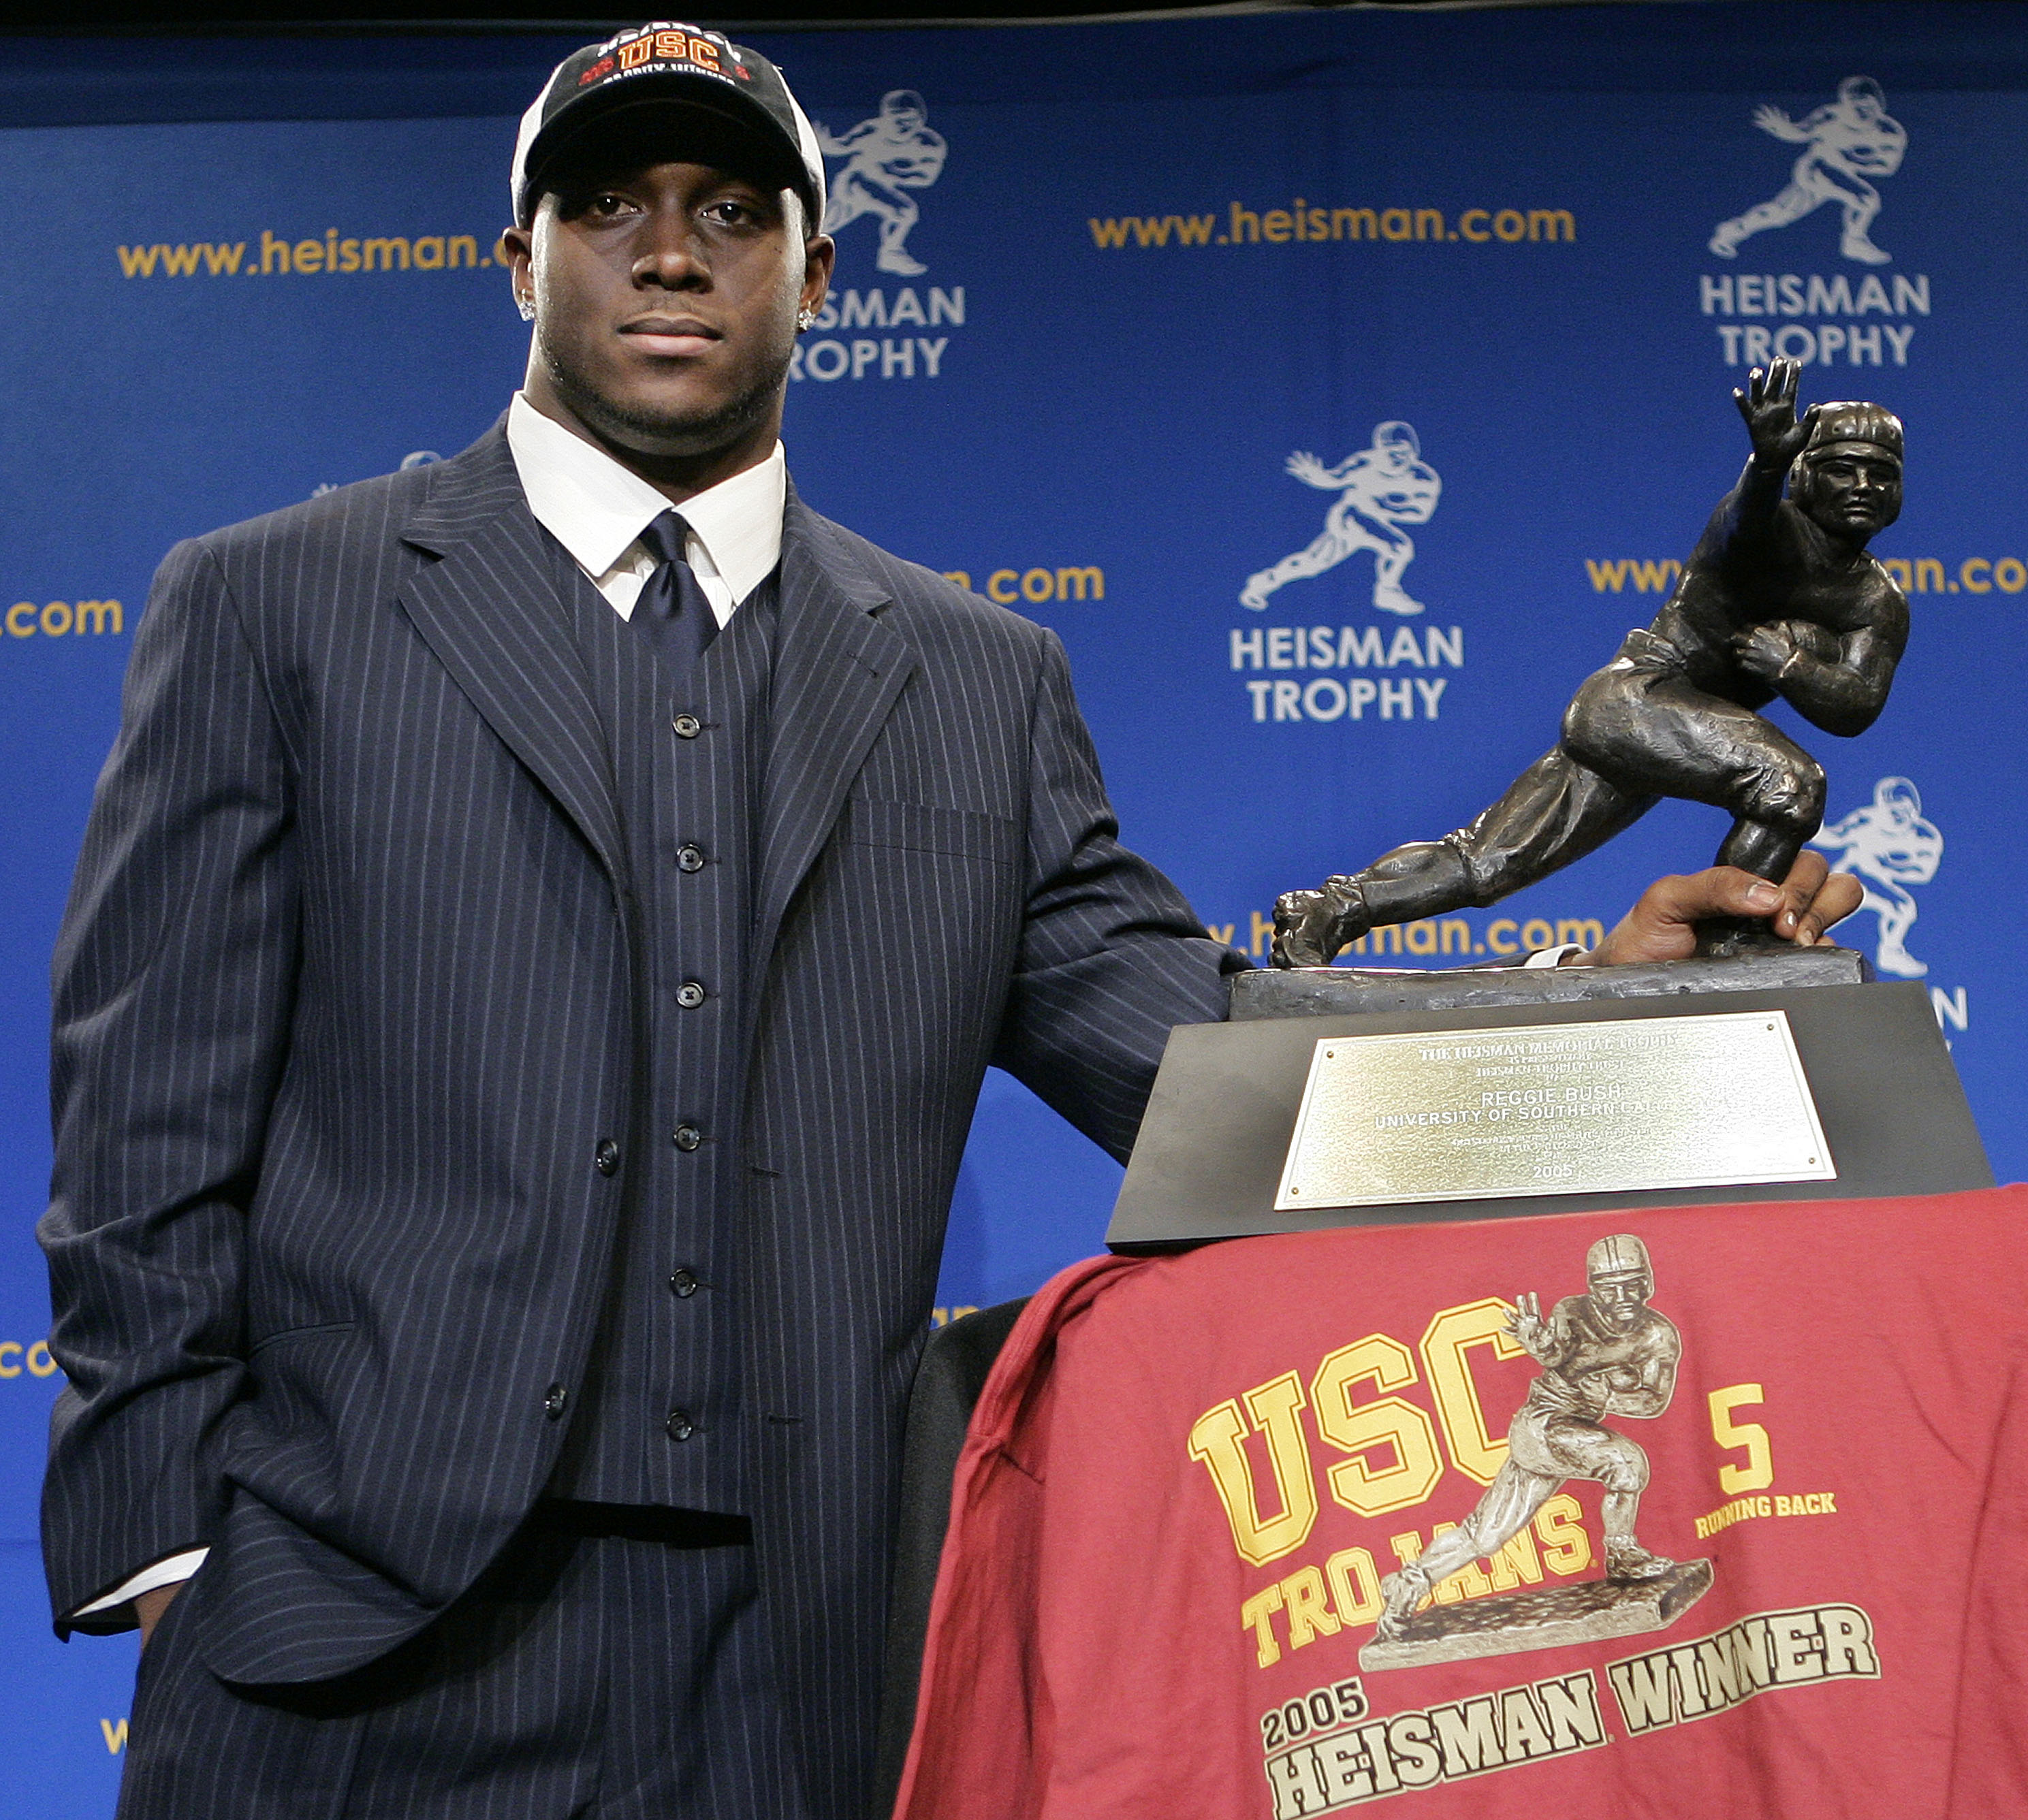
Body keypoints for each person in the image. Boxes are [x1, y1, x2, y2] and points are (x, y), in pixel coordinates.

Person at [39, 23, 1866, 1819]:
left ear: (819, 273)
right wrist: (167, 1548)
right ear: (520, 262)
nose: (673, 251)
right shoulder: (281, 608)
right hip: (343, 1640)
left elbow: (1216, 1076)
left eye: (734, 209)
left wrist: (1591, 1009)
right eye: (611, 205)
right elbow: (146, 1131)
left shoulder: (978, 684)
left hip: (802, 1670)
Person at [1271, 357, 1902, 966]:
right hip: (1636, 699)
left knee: (1490, 861)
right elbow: (1745, 524)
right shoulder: (1770, 532)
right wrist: (1765, 463)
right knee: (1789, 783)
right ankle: (1727, 945)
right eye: (1844, 469)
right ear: (1805, 475)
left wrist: (1790, 664)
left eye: (1882, 474)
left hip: (1681, 730)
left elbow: (1855, 707)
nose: (1865, 488)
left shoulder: (1877, 600)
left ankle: (1330, 908)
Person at [1375, 1234, 1681, 1640]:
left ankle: (1407, 1584)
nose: (1623, 1297)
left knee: (1484, 1536)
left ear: (1648, 1283)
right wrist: (1542, 1347)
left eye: (1633, 1284)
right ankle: (1621, 1550)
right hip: (1543, 1424)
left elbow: (1654, 1401)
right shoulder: (1574, 1311)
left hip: (1573, 1430)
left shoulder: (1658, 1334)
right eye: (1610, 1288)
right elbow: (1559, 1356)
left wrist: (1606, 1393)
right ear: (1594, 1290)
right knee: (1626, 1462)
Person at [1239, 422, 1440, 617]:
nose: (1397, 457)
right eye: (1390, 451)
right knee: (1398, 547)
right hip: (1349, 517)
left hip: (1375, 522)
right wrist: (1314, 476)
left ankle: (1263, 583)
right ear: (1379, 451)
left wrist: (1383, 509)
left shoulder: (1424, 479)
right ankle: (1387, 592)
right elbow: (1333, 480)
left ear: (1414, 451)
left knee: (1312, 563)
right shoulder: (1364, 464)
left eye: (1403, 451)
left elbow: (1421, 514)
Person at [1709, 76, 1907, 266]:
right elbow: (1800, 133)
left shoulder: (1891, 133)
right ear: (1845, 104)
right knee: (1866, 199)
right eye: (1855, 104)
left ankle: (1733, 231)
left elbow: (1887, 168)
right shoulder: (1830, 116)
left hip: (1843, 175)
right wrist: (1781, 129)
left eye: (1867, 104)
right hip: (1816, 169)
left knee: (1781, 213)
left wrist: (1853, 163)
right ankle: (1854, 242)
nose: (1862, 110)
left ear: (1879, 104)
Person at [1813, 775, 1942, 977]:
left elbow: (1923, 873)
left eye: (1904, 809)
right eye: (1892, 808)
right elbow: (1833, 837)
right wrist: (1812, 818)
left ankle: (1891, 953)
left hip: (1879, 880)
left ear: (1914, 809)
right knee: (1821, 915)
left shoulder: (1925, 837)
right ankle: (1799, 945)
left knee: (1902, 908)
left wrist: (1886, 866)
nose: (1898, 814)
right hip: (1850, 876)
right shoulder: (1866, 820)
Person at [816, 90, 947, 277]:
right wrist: (822, 139)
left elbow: (927, 177)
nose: (904, 125)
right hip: (855, 183)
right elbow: (840, 147)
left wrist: (890, 173)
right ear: (885, 118)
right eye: (897, 119)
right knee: (902, 211)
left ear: (921, 119)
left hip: (881, 187)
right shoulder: (872, 131)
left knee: (902, 212)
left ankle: (891, 253)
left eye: (910, 119)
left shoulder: (930, 145)